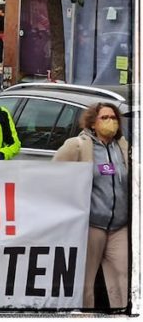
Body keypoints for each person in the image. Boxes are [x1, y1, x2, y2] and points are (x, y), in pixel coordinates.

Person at [53, 103, 128, 310]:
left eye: (113, 117)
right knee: (85, 279)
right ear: (93, 123)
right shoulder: (77, 145)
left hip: (119, 227)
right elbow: (53, 176)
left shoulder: (121, 145)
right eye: (104, 118)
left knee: (124, 276)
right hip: (91, 226)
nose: (110, 122)